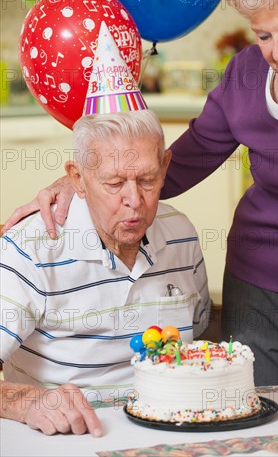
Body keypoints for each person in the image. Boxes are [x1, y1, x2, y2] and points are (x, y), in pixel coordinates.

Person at [2, 0, 278, 393]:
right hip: (255, 284)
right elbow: (172, 165)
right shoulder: (248, 75)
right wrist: (85, 183)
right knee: (261, 420)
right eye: (264, 35)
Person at [0, 110, 210, 435]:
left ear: (165, 167)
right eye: (114, 183)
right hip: (67, 439)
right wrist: (27, 402)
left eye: (147, 180)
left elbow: (198, 339)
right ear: (78, 178)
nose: (134, 201)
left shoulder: (181, 233)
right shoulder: (30, 250)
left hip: (172, 432)